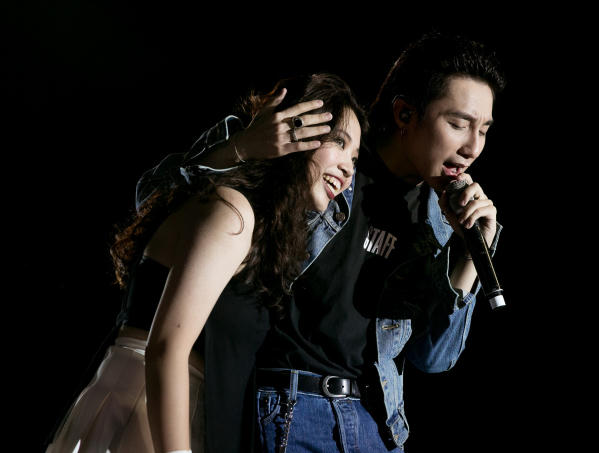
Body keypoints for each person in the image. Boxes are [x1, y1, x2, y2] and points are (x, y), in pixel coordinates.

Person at [138, 31, 506, 452]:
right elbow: (153, 203)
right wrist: (240, 147)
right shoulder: (322, 149)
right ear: (405, 113)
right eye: (458, 124)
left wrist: (470, 255)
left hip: (378, 425)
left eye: (484, 130)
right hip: (289, 407)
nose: (473, 147)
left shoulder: (440, 219)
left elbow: (433, 359)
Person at [46, 73, 366, 453]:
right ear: (294, 129)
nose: (348, 169)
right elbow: (166, 349)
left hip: (163, 407)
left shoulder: (245, 217)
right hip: (147, 410)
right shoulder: (232, 211)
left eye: (355, 157)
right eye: (339, 142)